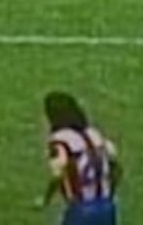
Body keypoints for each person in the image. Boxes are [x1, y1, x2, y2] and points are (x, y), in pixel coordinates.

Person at [37, 91, 121, 225]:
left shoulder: (59, 141)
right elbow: (115, 166)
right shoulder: (95, 134)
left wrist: (46, 199)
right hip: (107, 206)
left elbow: (58, 173)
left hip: (81, 209)